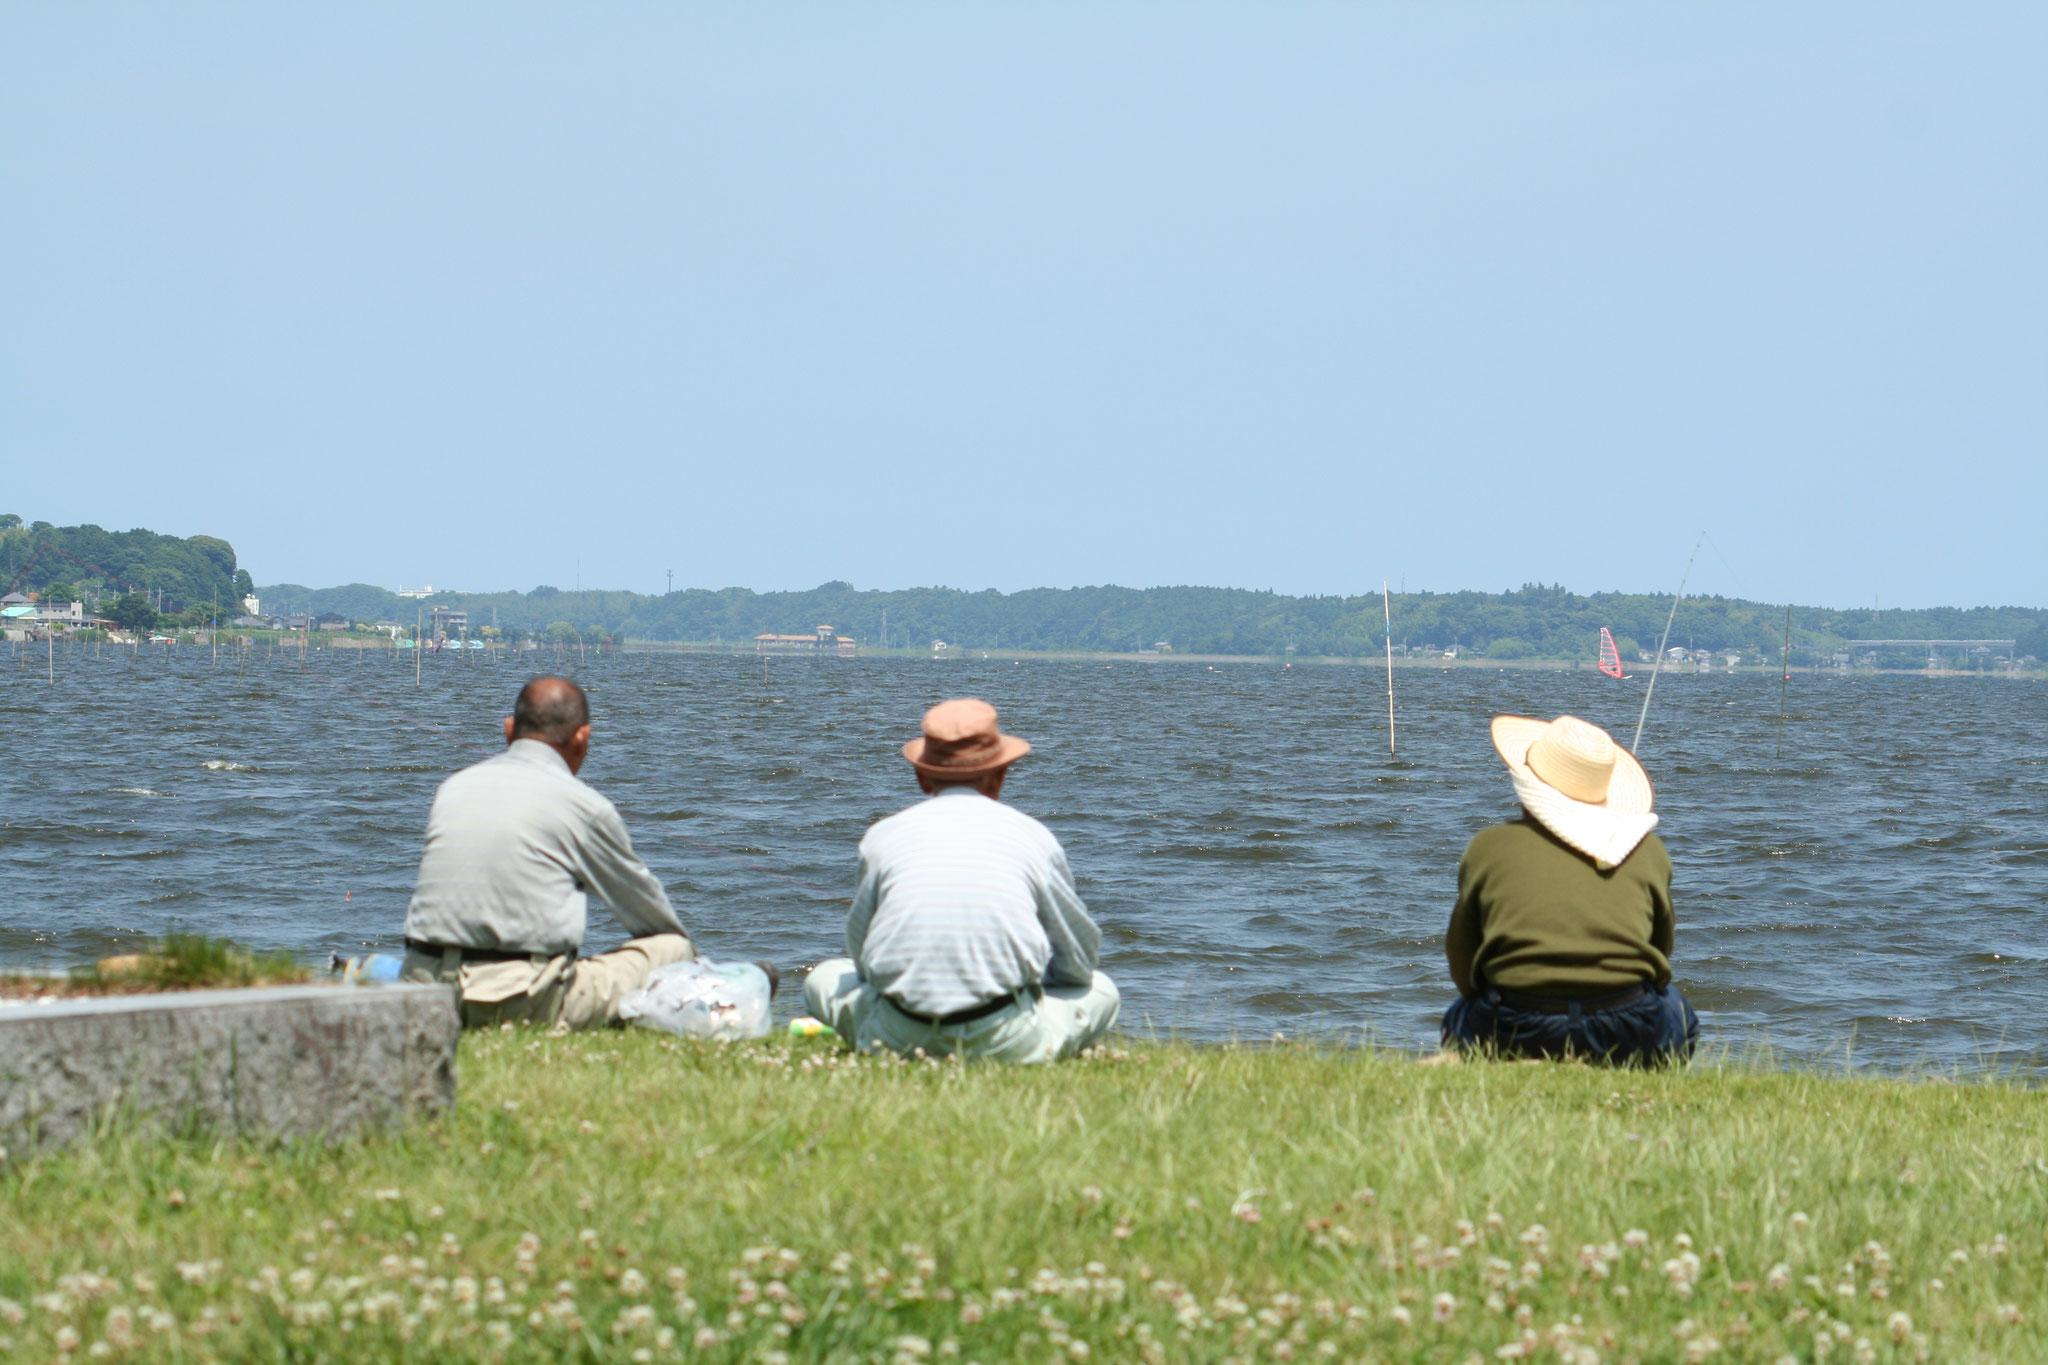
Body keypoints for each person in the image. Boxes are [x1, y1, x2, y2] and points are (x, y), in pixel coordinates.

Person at [804, 697, 1120, 1063]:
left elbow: (861, 955)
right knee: (1102, 989)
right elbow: (1078, 957)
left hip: (896, 1034)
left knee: (824, 976)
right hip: (1006, 1040)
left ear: (922, 776)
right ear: (999, 774)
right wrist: (1036, 984)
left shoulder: (882, 835)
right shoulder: (1033, 836)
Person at [400, 676, 694, 1028]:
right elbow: (652, 920)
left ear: (509, 730)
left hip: (424, 992)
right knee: (673, 948)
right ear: (582, 737)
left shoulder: (452, 787)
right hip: (518, 999)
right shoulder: (585, 806)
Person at [1439, 713, 1700, 1065]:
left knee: (1459, 1014)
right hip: (1627, 1023)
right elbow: (1660, 951)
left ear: (1527, 786)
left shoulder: (1488, 846)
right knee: (1679, 1012)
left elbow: (1462, 959)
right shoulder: (1648, 849)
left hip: (1516, 1020)